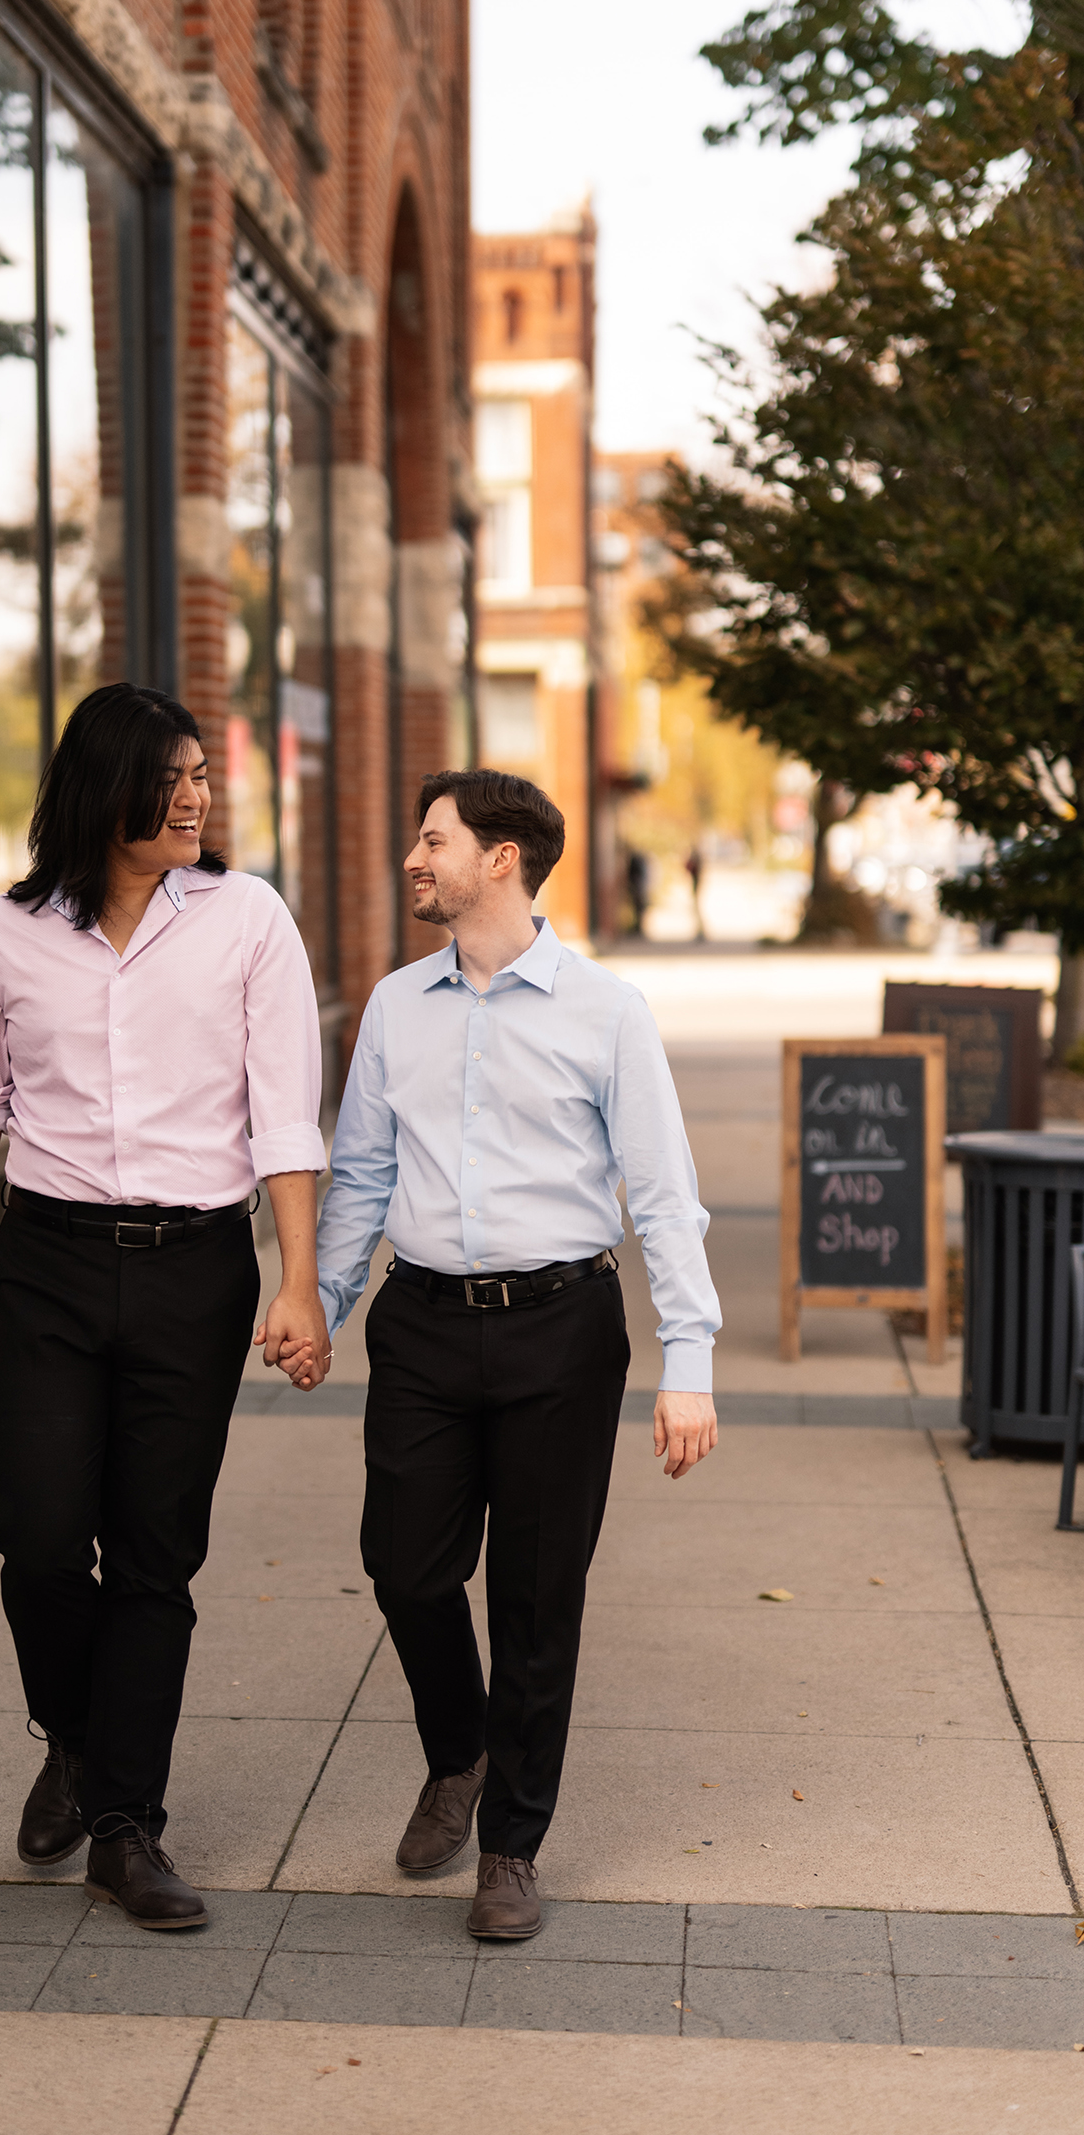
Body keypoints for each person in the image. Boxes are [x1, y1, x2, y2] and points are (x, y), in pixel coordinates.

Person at [0, 682, 330, 1930]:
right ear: (107, 787)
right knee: (41, 1540)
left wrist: (298, 1277)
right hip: (44, 1263)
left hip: (192, 1269)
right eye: (175, 775)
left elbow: (282, 1113)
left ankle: (124, 1824)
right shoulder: (2, 932)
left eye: (204, 773)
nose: (198, 795)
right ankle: (73, 1733)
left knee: (156, 1553)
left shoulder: (247, 919)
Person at [305, 769, 720, 1942]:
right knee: (403, 1563)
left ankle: (510, 1846)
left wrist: (684, 1361)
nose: (410, 858)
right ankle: (459, 1747)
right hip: (424, 1322)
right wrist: (320, 1301)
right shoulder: (395, 1007)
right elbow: (363, 1175)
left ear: (500, 859)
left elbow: (661, 1193)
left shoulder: (605, 1011)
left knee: (538, 1599)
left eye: (430, 839)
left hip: (559, 1330)